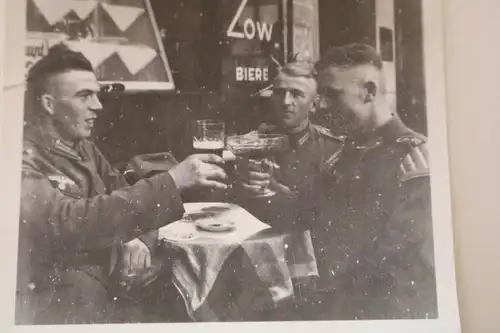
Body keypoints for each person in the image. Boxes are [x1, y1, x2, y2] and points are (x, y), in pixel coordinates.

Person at [16, 43, 228, 324]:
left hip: (113, 288)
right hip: (66, 306)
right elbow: (67, 222)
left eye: (97, 94)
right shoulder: (19, 158)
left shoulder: (83, 147)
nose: (98, 105)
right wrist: (172, 181)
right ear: (48, 105)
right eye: (84, 96)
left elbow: (124, 196)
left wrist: (137, 237)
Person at [303, 43, 437, 320]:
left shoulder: (417, 160)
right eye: (321, 95)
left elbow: (403, 269)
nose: (322, 106)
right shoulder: (342, 155)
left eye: (333, 95)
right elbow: (310, 217)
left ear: (369, 92)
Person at [234, 61, 344, 231]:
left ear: (314, 104)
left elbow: (328, 215)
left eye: (296, 94)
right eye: (279, 93)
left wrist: (276, 188)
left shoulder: (331, 149)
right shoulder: (250, 144)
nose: (285, 101)